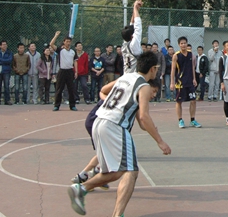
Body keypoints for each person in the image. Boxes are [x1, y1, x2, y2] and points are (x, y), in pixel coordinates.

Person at [67, 52, 171, 217]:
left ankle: (81, 189)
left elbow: (104, 90)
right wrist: (160, 141)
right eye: (156, 68)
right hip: (115, 126)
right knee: (131, 171)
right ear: (152, 69)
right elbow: (144, 117)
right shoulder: (144, 86)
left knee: (114, 172)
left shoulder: (126, 77)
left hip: (99, 121)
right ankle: (116, 213)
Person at [170, 36, 201, 128]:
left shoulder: (191, 54)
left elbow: (192, 67)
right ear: (179, 45)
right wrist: (172, 82)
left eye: (185, 43)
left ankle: (192, 120)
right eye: (181, 43)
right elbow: (173, 70)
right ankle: (180, 120)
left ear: (187, 44)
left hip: (190, 81)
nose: (183, 45)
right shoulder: (176, 55)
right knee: (179, 101)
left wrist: (194, 79)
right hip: (180, 82)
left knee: (193, 100)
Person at [50, 32, 78, 111]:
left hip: (70, 71)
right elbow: (51, 44)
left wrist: (76, 71)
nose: (68, 43)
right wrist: (56, 35)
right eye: (67, 41)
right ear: (64, 42)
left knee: (71, 89)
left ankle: (72, 105)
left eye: (69, 41)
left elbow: (75, 61)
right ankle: (57, 105)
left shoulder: (73, 51)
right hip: (62, 71)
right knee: (59, 89)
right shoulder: (60, 50)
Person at [121, 0, 143, 75]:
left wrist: (135, 9)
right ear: (132, 36)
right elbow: (138, 26)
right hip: (133, 78)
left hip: (126, 75)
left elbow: (132, 25)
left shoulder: (125, 44)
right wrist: (135, 7)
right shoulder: (134, 44)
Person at [0, 40, 13, 105]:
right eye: (3, 45)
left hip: (6, 71)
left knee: (6, 86)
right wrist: (4, 61)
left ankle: (7, 100)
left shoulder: (9, 53)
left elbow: (9, 60)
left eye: (5, 44)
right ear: (0, 46)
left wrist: (1, 60)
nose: (5, 46)